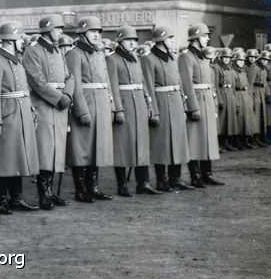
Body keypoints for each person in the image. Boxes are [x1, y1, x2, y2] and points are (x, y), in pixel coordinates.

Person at [22, 15, 75, 210]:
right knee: (45, 150)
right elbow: (36, 81)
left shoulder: (58, 52)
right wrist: (58, 97)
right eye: (58, 28)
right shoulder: (33, 51)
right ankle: (43, 193)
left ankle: (51, 192)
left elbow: (70, 76)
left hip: (60, 105)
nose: (61, 32)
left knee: (56, 150)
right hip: (44, 105)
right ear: (47, 29)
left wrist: (68, 94)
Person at [0, 22, 39, 214]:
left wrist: (31, 111)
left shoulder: (17, 60)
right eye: (19, 39)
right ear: (10, 40)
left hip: (21, 113)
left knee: (17, 157)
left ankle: (16, 198)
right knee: (3, 160)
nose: (22, 43)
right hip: (8, 114)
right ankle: (2, 200)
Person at [66, 16, 115, 203]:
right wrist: (81, 110)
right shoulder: (74, 54)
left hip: (101, 103)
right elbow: (75, 83)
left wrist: (111, 105)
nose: (96, 35)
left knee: (97, 147)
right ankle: (80, 190)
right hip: (86, 103)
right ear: (82, 34)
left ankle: (93, 187)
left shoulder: (99, 53)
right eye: (92, 31)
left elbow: (107, 82)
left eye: (98, 32)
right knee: (82, 148)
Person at [106, 25, 159, 196]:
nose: (131, 43)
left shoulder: (136, 58)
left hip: (139, 107)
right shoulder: (112, 59)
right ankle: (122, 184)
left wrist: (149, 105)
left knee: (142, 144)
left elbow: (143, 84)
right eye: (128, 40)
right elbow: (113, 86)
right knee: (122, 146)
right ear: (120, 41)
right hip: (125, 104)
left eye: (134, 40)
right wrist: (117, 109)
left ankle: (143, 182)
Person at [140, 25, 190, 192]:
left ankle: (176, 178)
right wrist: (153, 111)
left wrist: (184, 105)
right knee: (162, 144)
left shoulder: (172, 57)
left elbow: (179, 82)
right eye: (170, 38)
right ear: (161, 40)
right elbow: (148, 86)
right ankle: (162, 180)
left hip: (175, 102)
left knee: (178, 142)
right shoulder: (149, 59)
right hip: (161, 103)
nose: (173, 42)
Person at [178, 23, 222, 187]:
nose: (207, 38)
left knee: (208, 139)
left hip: (207, 102)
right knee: (194, 140)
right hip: (196, 101)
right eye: (204, 36)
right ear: (196, 37)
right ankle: (195, 176)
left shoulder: (202, 56)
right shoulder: (186, 57)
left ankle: (207, 174)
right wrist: (192, 107)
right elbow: (186, 83)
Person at [214, 48, 240, 151]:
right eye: (225, 58)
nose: (226, 60)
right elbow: (216, 84)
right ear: (220, 58)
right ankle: (219, 143)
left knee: (230, 120)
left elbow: (233, 86)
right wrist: (219, 99)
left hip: (230, 95)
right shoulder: (217, 68)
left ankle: (227, 142)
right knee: (222, 120)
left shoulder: (231, 69)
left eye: (228, 58)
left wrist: (235, 99)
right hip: (222, 93)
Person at [231, 49, 257, 149]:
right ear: (235, 61)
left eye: (242, 60)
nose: (241, 62)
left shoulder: (243, 71)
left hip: (245, 95)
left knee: (246, 118)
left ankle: (245, 140)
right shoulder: (233, 72)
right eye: (239, 60)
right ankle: (237, 141)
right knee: (239, 119)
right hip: (237, 95)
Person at [248, 50, 270, 147]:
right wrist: (250, 97)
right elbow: (250, 83)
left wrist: (268, 94)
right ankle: (254, 138)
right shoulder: (254, 68)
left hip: (261, 94)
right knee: (255, 116)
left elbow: (265, 83)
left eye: (267, 60)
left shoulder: (264, 69)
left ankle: (262, 137)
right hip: (255, 93)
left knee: (262, 116)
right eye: (263, 59)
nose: (265, 61)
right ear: (260, 59)